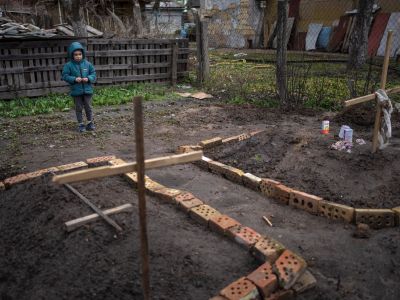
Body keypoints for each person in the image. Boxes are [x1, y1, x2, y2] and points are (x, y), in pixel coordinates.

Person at [62, 42, 97, 132]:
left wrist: (88, 78)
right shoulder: (68, 65)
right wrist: (74, 79)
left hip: (87, 91)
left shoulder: (88, 64)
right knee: (78, 108)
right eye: (75, 54)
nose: (78, 56)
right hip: (76, 91)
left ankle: (90, 123)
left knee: (88, 107)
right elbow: (65, 76)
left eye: (80, 54)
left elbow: (93, 74)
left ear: (83, 54)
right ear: (71, 55)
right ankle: (80, 124)